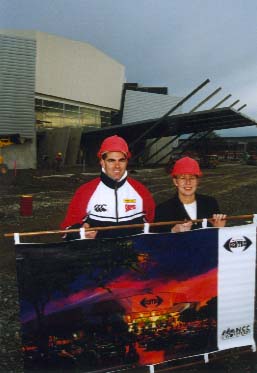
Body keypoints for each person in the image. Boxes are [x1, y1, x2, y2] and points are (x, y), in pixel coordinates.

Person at [61, 135, 155, 239]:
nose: (117, 166)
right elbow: (66, 230)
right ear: (102, 162)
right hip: (99, 251)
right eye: (111, 160)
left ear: (127, 162)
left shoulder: (141, 190)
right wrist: (80, 233)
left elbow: (154, 225)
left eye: (121, 160)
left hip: (133, 251)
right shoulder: (85, 191)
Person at [155, 156, 226, 233]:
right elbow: (155, 241)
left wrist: (219, 228)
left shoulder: (210, 203)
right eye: (182, 178)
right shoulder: (162, 210)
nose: (188, 182)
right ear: (175, 182)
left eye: (192, 178)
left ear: (197, 181)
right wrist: (172, 231)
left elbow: (218, 238)